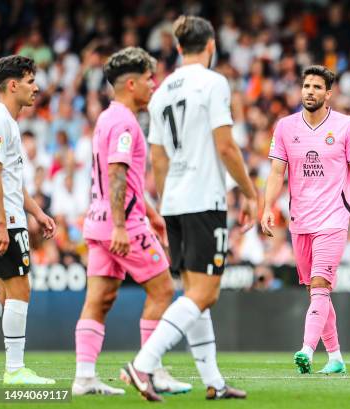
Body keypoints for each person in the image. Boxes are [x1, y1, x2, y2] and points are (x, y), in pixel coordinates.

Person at [122, 16, 257, 401]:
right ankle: (143, 364)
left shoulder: (162, 90)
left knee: (194, 291)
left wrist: (167, 205)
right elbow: (226, 146)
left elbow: (158, 160)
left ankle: (213, 382)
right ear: (210, 45)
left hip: (176, 201)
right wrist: (250, 193)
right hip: (203, 198)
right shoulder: (213, 83)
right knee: (206, 293)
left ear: (180, 48)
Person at [73, 47, 189, 396]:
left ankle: (84, 377)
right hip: (121, 224)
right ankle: (150, 369)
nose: (154, 85)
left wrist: (153, 215)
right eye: (150, 79)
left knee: (101, 297)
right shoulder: (124, 121)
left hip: (97, 222)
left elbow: (126, 179)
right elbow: (118, 174)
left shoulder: (107, 118)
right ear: (132, 83)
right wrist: (125, 226)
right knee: (163, 289)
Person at [262, 65, 350, 375]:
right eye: (306, 86)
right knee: (317, 292)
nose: (309, 91)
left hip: (333, 218)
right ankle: (336, 357)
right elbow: (276, 173)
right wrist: (267, 207)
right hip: (300, 221)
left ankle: (307, 350)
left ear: (328, 94)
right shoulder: (285, 127)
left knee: (320, 284)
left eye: (316, 87)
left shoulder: (345, 126)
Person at [0, 55, 56, 384]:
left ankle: (15, 368)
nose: (37, 87)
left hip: (14, 215)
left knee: (3, 294)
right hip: (6, 221)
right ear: (13, 84)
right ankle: (15, 370)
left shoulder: (10, 122)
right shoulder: (0, 120)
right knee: (19, 290)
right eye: (31, 81)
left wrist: (38, 212)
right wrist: (1, 223)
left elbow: (12, 181)